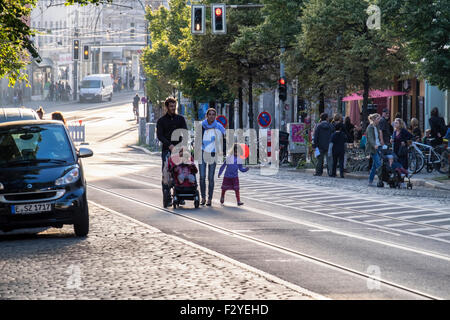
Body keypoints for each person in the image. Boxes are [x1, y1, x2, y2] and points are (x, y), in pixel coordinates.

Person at [156, 97, 187, 206]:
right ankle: (167, 198)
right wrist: (169, 145)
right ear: (167, 107)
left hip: (179, 150)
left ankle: (179, 196)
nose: (173, 108)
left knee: (180, 171)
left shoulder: (180, 119)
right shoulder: (161, 121)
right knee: (166, 173)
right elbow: (160, 135)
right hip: (166, 150)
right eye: (171, 107)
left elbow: (185, 132)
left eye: (174, 106)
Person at [200, 107, 226, 206]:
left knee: (211, 177)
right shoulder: (202, 125)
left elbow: (224, 139)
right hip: (202, 152)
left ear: (215, 116)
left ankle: (209, 199)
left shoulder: (219, 126)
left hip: (213, 153)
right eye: (209, 114)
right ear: (207, 116)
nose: (211, 116)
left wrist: (222, 150)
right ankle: (203, 197)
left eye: (213, 114)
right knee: (202, 176)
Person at [366, 113, 382, 187]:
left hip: (378, 147)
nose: (379, 120)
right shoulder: (370, 127)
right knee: (379, 164)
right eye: (378, 119)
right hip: (373, 148)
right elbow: (370, 138)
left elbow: (378, 137)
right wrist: (374, 145)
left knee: (374, 166)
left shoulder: (377, 127)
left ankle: (370, 180)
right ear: (374, 119)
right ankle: (381, 180)